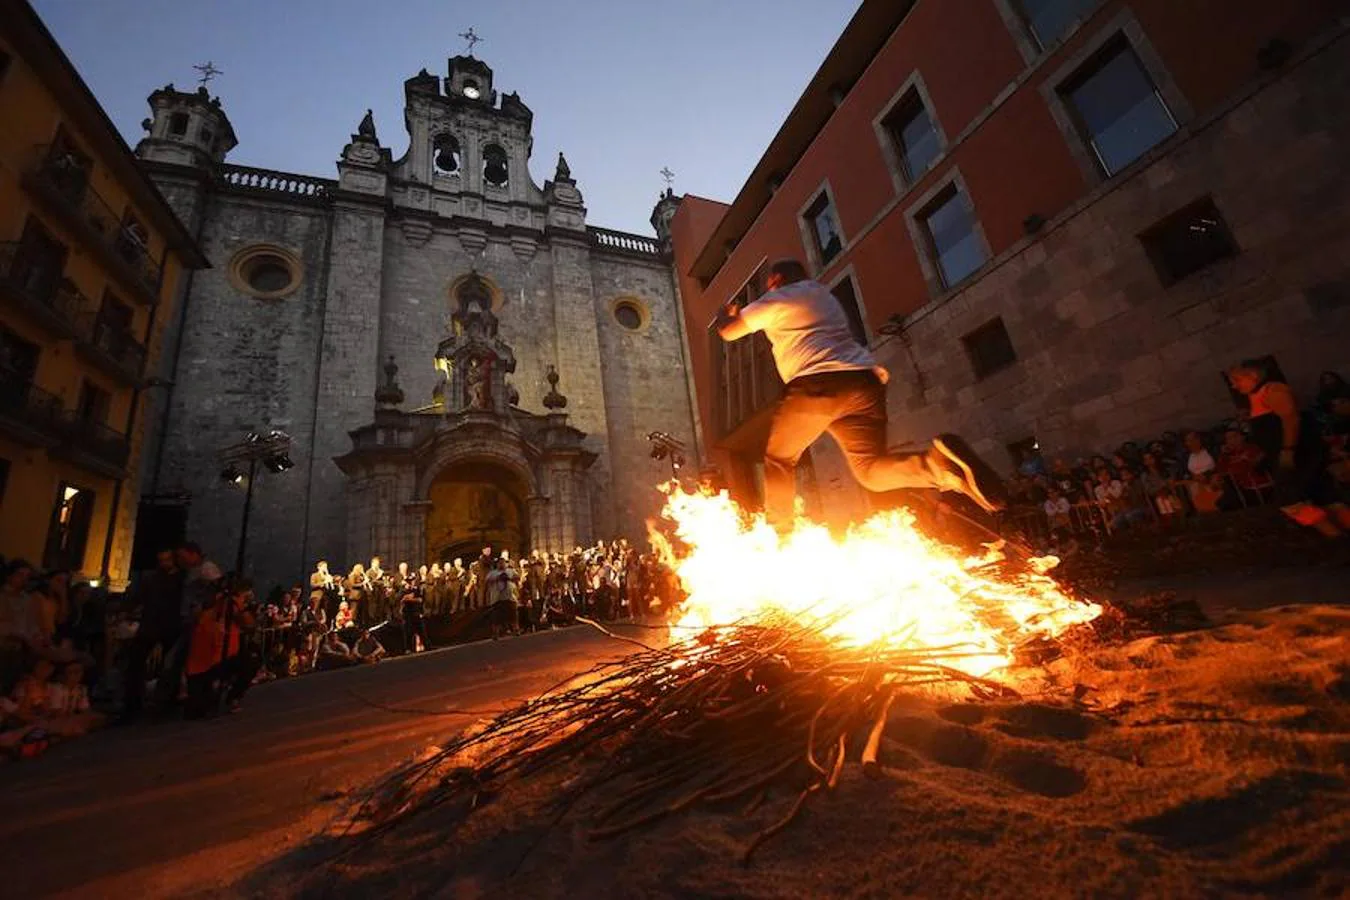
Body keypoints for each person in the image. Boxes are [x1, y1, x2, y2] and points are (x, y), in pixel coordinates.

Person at [713, 258, 1005, 529]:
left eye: (769, 284)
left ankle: (781, 536)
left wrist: (724, 314)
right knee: (870, 470)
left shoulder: (782, 296)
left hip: (818, 384)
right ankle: (938, 467)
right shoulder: (825, 298)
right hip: (864, 383)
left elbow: (729, 332)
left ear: (776, 279)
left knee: (779, 459)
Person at [1228, 359, 1349, 536]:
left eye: (1237, 380)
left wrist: (1288, 450)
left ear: (1252, 376)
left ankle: (1336, 536)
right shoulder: (1256, 397)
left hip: (1298, 454)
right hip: (1289, 454)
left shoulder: (1273, 390)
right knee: (1323, 496)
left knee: (1291, 501)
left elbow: (1291, 419)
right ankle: (1341, 535)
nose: (1234, 386)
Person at [120, 549, 184, 722]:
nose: (164, 564)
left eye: (167, 560)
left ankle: (166, 704)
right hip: (150, 626)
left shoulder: (181, 580)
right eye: (161, 560)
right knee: (135, 665)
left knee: (170, 667)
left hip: (170, 627)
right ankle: (132, 705)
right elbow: (139, 598)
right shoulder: (152, 579)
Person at [183, 577, 259, 718]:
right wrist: (246, 607)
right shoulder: (230, 604)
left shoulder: (211, 605)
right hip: (217, 656)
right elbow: (248, 623)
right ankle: (232, 697)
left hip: (203, 659)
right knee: (250, 664)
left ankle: (213, 698)